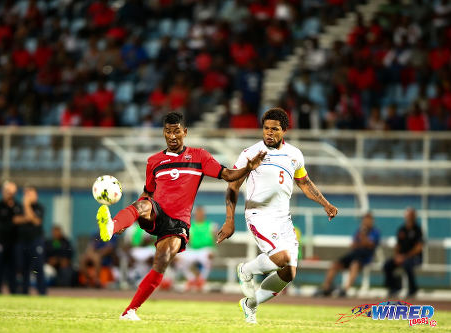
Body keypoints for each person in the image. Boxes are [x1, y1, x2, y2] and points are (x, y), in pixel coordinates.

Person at [96, 111, 267, 320]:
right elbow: (147, 193)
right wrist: (129, 220)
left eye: (176, 131)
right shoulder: (154, 161)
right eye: (168, 132)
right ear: (163, 134)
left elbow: (228, 175)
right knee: (141, 205)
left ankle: (129, 311)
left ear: (185, 132)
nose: (172, 136)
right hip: (156, 211)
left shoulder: (199, 156)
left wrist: (248, 168)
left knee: (162, 260)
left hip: (178, 224)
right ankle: (112, 226)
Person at [217, 107, 338, 324]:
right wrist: (229, 219)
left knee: (289, 272)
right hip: (258, 214)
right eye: (266, 128)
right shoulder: (250, 153)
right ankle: (245, 270)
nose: (269, 133)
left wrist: (326, 204)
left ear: (284, 131)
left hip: (284, 218)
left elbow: (305, 184)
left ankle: (250, 304)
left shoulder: (294, 155)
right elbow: (232, 186)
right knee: (282, 258)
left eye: (274, 129)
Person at [316, 212, 380, 297]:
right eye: (365, 220)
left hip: (365, 256)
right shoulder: (359, 231)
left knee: (354, 265)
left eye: (368, 220)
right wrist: (362, 242)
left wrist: (363, 239)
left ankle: (345, 290)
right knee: (335, 264)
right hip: (354, 253)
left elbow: (370, 245)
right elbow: (354, 245)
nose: (366, 222)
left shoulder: (375, 232)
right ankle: (326, 288)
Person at [13, 186, 47, 295]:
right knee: (23, 267)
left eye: (30, 193)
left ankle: (42, 292)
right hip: (22, 240)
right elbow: (15, 220)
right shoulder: (18, 207)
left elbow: (36, 221)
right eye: (26, 193)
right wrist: (28, 218)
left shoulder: (39, 207)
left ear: (35, 195)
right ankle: (24, 291)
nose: (27, 196)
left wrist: (27, 206)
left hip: (36, 240)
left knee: (38, 266)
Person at [383, 207, 423, 298]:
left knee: (407, 264)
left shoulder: (418, 230)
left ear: (414, 217)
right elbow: (397, 246)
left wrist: (405, 256)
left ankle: (412, 290)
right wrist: (397, 256)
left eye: (410, 216)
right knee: (387, 264)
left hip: (414, 257)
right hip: (401, 257)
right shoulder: (401, 229)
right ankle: (394, 288)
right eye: (407, 216)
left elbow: (419, 248)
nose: (408, 218)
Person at [176, 206, 218, 291]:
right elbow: (188, 240)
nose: (199, 215)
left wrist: (214, 249)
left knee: (208, 257)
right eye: (198, 213)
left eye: (201, 213)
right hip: (193, 250)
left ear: (204, 214)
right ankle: (191, 279)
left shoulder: (211, 225)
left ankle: (201, 280)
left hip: (206, 249)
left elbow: (217, 239)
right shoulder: (190, 226)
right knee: (178, 259)